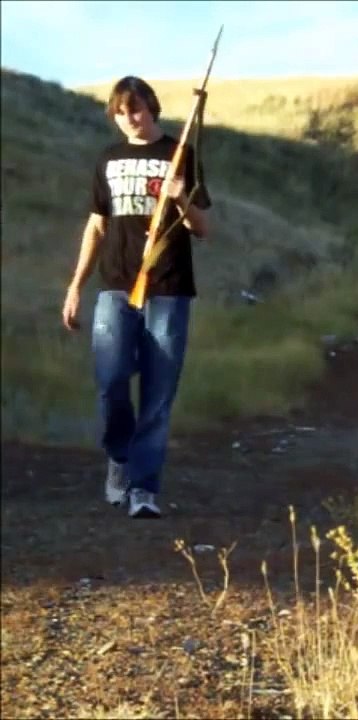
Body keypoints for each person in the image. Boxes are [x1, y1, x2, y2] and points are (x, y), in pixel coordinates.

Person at [61, 75, 213, 518]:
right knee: (111, 382)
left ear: (152, 108)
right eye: (120, 112)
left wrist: (181, 197)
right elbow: (96, 227)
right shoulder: (108, 159)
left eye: (136, 109)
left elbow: (202, 230)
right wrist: (75, 286)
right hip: (115, 286)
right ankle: (120, 458)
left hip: (169, 288)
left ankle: (144, 489)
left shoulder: (179, 154)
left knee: (158, 393)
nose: (129, 118)